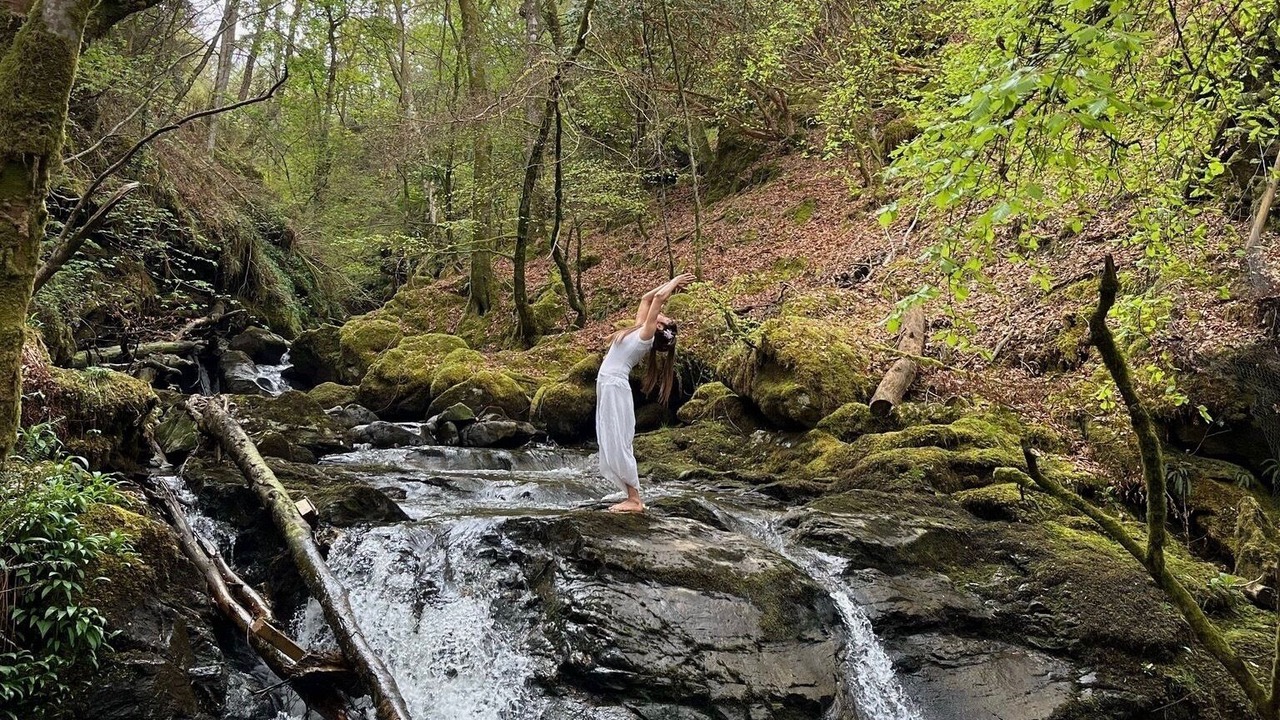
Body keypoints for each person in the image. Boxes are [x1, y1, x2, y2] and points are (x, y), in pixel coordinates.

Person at [596, 273, 695, 513]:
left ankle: (634, 499)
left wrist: (673, 283)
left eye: (664, 317)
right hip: (608, 384)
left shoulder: (647, 335)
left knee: (619, 440)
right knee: (610, 438)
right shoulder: (640, 329)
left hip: (614, 386)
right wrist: (670, 281)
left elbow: (659, 298)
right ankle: (631, 495)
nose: (662, 312)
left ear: (659, 326)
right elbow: (647, 298)